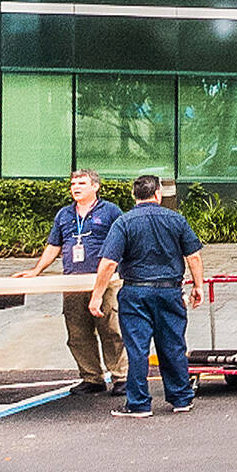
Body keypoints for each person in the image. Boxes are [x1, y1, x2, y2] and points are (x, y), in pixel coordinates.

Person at [90, 173, 204, 417]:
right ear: (158, 194)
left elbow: (108, 262)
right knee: (173, 345)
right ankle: (181, 398)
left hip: (136, 291)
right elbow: (193, 256)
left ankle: (139, 403)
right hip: (170, 290)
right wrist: (198, 286)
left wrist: (97, 295)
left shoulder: (124, 222)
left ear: (134, 195)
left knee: (137, 348)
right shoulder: (176, 219)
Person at [20, 169, 124, 392]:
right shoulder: (64, 215)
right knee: (78, 333)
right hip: (72, 282)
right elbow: (54, 246)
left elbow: (123, 241)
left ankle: (121, 377)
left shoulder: (110, 211)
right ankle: (92, 378)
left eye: (82, 183)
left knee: (111, 330)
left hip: (103, 281)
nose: (76, 187)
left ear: (95, 186)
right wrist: (36, 270)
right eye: (73, 184)